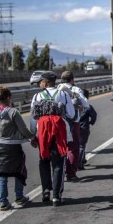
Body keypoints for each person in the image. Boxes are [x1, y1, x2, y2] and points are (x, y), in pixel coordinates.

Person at [0, 86, 35, 211]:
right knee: (18, 171)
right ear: (9, 97)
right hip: (13, 147)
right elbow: (23, 129)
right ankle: (19, 196)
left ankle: (3, 202)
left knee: (2, 174)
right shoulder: (13, 112)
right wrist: (33, 137)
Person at [30, 71, 75, 207]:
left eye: (41, 81)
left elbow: (33, 117)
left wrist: (33, 134)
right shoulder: (63, 94)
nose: (40, 83)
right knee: (58, 163)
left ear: (46, 82)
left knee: (43, 160)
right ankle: (56, 196)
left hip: (42, 131)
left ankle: (46, 191)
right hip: (58, 131)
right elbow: (71, 114)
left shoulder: (37, 96)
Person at [58, 70, 90, 181]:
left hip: (58, 122)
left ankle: (59, 173)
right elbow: (86, 104)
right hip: (73, 122)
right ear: (72, 79)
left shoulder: (57, 89)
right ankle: (71, 173)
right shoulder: (75, 89)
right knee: (73, 148)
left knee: (60, 148)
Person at [78, 88, 97, 170]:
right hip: (84, 128)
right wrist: (91, 122)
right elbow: (94, 115)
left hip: (73, 128)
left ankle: (76, 162)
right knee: (82, 145)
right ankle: (80, 163)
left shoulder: (73, 106)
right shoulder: (88, 107)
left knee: (73, 146)